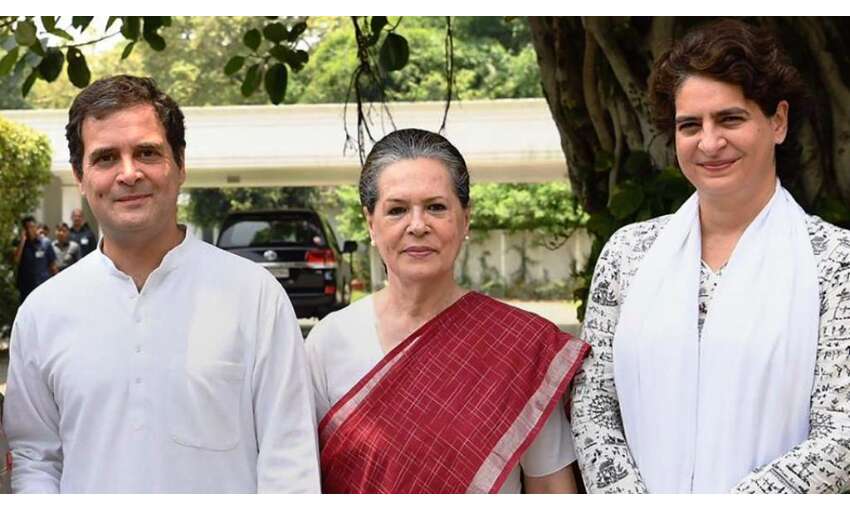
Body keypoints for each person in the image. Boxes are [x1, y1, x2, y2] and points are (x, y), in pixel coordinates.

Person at [2, 75, 321, 493]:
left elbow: (289, 458)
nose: (129, 173)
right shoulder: (43, 314)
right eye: (106, 158)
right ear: (80, 176)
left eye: (147, 152)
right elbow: (36, 460)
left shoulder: (254, 297)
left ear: (180, 164)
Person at [571, 19, 850, 494]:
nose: (709, 142)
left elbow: (841, 432)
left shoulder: (836, 261)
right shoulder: (627, 254)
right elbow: (593, 404)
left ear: (777, 121)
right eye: (690, 125)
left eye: (730, 119)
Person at [305, 128, 590, 493]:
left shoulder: (521, 348)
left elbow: (550, 487)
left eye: (436, 207)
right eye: (397, 210)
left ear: (465, 218)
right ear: (371, 224)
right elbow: (300, 478)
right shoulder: (329, 342)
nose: (417, 225)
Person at [12, 216, 57, 304]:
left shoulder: (45, 242)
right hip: (26, 286)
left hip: (42, 285)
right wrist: (22, 241)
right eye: (29, 227)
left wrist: (57, 283)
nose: (32, 230)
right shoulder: (19, 243)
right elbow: (16, 260)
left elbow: (53, 265)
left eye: (33, 227)